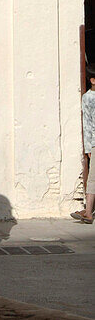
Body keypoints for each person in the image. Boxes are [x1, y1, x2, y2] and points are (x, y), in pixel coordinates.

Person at [71, 63, 95, 224]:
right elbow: (88, 123)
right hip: (94, 142)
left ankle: (88, 212)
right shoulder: (88, 98)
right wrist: (88, 147)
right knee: (93, 177)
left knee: (93, 178)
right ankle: (88, 211)